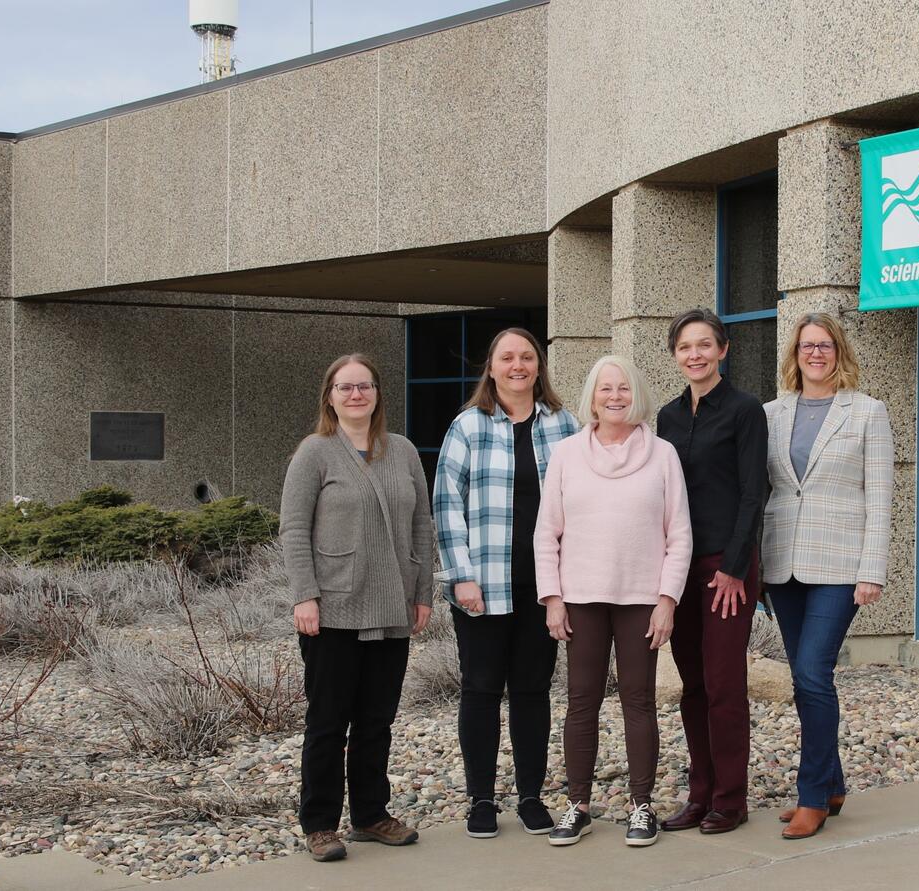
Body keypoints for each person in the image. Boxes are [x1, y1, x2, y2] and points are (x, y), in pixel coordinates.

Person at [280, 353, 434, 862]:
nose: (355, 395)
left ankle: (371, 815)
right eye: (345, 388)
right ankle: (320, 824)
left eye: (364, 386)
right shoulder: (314, 453)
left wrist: (422, 593)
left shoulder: (404, 451)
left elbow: (422, 527)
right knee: (328, 720)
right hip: (335, 608)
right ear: (330, 396)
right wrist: (305, 594)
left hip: (392, 605)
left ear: (376, 394)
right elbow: (294, 528)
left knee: (377, 720)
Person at [535, 355, 692, 848]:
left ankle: (641, 805)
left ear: (636, 394)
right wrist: (553, 598)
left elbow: (679, 534)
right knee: (581, 703)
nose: (615, 396)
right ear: (592, 397)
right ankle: (577, 804)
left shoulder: (663, 454)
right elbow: (547, 533)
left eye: (623, 388)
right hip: (580, 599)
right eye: (606, 389)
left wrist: (667, 599)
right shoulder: (565, 454)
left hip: (640, 602)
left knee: (638, 702)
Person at [433, 328, 579, 839]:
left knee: (533, 692)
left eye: (527, 357)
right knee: (480, 690)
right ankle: (480, 800)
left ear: (538, 366)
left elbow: (581, 501)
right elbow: (446, 505)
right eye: (507, 358)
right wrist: (461, 576)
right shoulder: (468, 426)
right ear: (491, 368)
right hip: (483, 584)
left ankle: (532, 796)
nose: (518, 365)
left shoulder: (564, 426)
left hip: (544, 588)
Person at [761, 312, 892, 840]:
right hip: (783, 562)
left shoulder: (866, 412)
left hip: (839, 565)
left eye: (825, 345)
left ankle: (812, 795)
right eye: (806, 346)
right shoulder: (771, 413)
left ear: (839, 352)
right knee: (802, 677)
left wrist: (872, 569)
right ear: (794, 355)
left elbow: (880, 496)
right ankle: (833, 783)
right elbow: (770, 488)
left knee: (814, 674)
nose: (815, 354)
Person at [655, 309, 767, 835]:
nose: (695, 355)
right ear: (675, 355)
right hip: (679, 567)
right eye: (685, 347)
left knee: (724, 685)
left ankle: (731, 799)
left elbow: (753, 492)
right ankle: (699, 794)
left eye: (705, 345)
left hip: (728, 569)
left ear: (724, 350)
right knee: (693, 686)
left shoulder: (746, 411)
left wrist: (734, 568)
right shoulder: (668, 417)